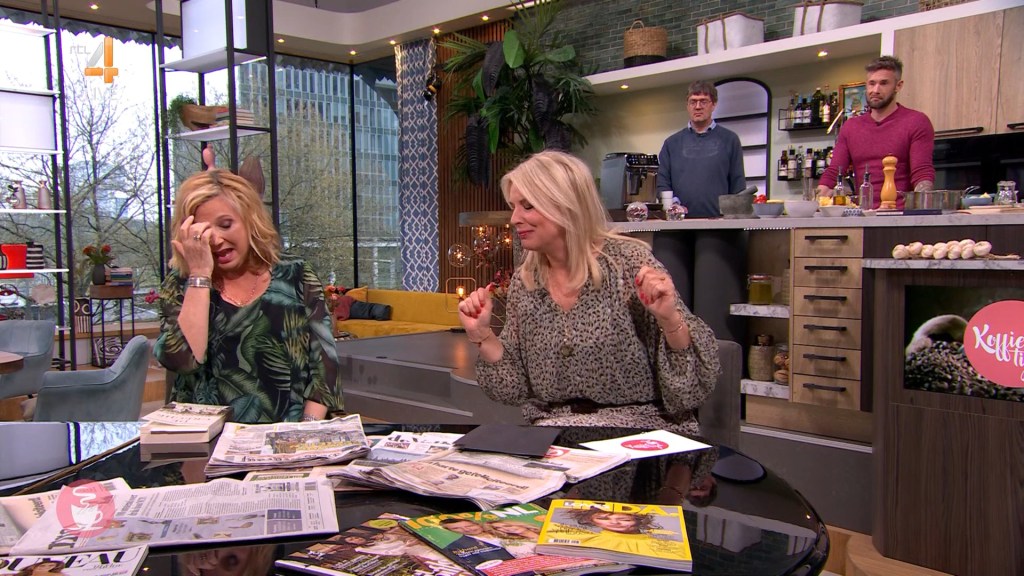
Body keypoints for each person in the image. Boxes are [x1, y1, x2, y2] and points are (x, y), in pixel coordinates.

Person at [458, 151, 720, 439]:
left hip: (637, 431)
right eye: (514, 207)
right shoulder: (526, 282)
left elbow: (688, 391)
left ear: (566, 206)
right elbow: (513, 390)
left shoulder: (628, 263)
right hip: (556, 434)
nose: (515, 218)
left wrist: (669, 319)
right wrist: (483, 336)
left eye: (528, 206)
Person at [154, 169, 344, 424]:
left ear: (249, 220)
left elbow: (325, 367)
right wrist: (199, 274)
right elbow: (182, 361)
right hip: (207, 437)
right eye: (203, 231)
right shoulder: (182, 282)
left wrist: (306, 431)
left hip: (289, 435)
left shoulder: (296, 274)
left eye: (225, 225)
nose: (216, 240)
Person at [817, 55, 935, 207]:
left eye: (884, 83)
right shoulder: (851, 127)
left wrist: (923, 207)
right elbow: (834, 172)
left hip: (901, 213)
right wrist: (815, 201)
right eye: (872, 83)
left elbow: (922, 173)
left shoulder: (916, 121)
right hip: (863, 213)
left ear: (898, 86)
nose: (875, 90)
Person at [656, 80, 746, 218]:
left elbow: (738, 185)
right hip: (679, 222)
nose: (697, 107)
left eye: (703, 101)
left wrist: (735, 219)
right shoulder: (671, 143)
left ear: (713, 104)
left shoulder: (730, 140)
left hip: (719, 222)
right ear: (687, 106)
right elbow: (662, 183)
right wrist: (674, 206)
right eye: (693, 102)